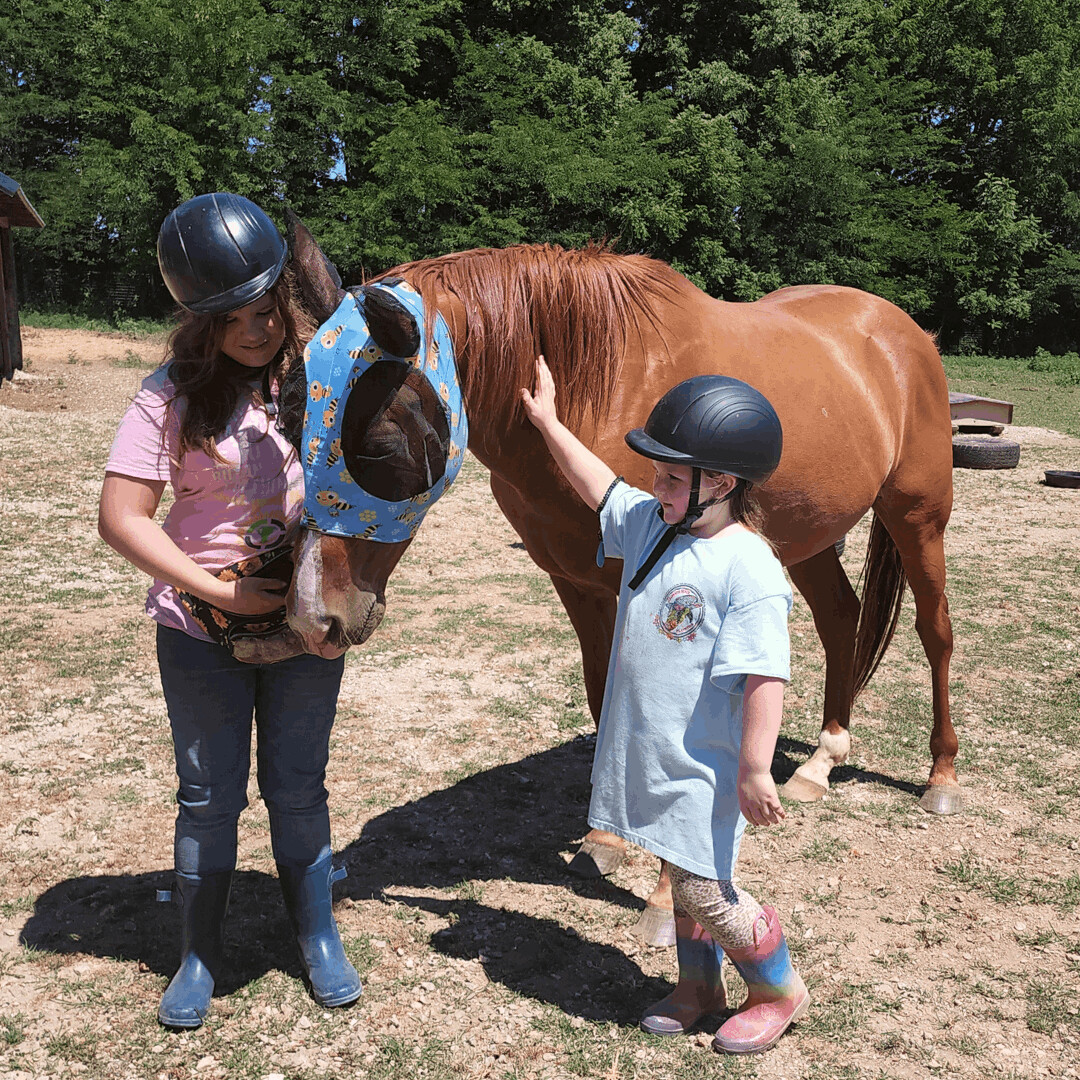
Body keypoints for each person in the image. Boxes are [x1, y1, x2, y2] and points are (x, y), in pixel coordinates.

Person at [98, 192, 361, 1029]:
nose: (253, 330)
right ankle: (199, 954)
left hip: (301, 624)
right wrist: (218, 591)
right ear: (197, 322)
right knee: (208, 795)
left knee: (298, 787)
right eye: (229, 318)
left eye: (264, 310)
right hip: (199, 630)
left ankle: (316, 938)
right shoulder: (168, 395)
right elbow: (122, 516)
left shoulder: (316, 380)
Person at [521, 355, 808, 1054]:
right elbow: (601, 488)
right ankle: (698, 987)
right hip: (649, 748)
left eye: (673, 478)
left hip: (705, 762)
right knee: (679, 874)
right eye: (659, 475)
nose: (657, 487)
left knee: (705, 887)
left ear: (721, 484)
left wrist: (755, 769)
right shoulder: (656, 525)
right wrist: (549, 424)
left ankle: (777, 989)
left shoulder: (749, 568)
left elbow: (764, 676)